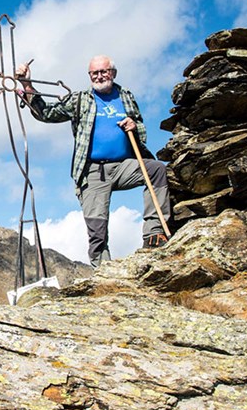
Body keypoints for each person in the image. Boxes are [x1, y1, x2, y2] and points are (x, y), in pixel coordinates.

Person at [16, 55, 172, 267]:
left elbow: (140, 127)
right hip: (92, 171)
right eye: (94, 73)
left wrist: (133, 126)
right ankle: (104, 274)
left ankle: (154, 235)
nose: (99, 76)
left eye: (103, 71)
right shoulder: (80, 99)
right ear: (89, 75)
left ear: (113, 73)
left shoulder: (126, 96)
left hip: (123, 165)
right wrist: (27, 84)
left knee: (156, 170)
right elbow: (47, 113)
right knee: (97, 232)